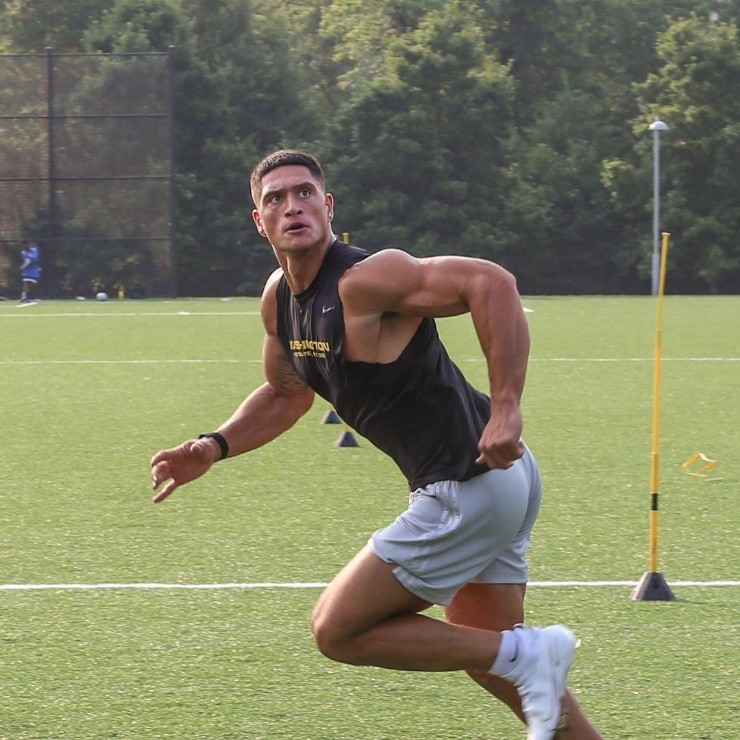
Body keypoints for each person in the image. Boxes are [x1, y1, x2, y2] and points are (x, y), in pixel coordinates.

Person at [150, 149, 603, 739]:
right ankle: (530, 664)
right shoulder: (279, 299)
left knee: (337, 630)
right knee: (500, 663)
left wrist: (508, 406)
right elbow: (286, 394)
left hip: (467, 484)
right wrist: (213, 446)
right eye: (275, 198)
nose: (292, 206)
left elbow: (490, 281)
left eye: (305, 193)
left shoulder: (365, 279)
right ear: (259, 221)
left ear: (328, 206)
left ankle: (529, 654)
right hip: (498, 482)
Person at [20, 238, 41, 303]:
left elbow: (30, 260)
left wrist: (23, 266)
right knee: (26, 283)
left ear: (28, 244)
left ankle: (27, 296)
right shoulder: (23, 252)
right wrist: (24, 267)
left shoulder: (34, 250)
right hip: (27, 271)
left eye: (24, 245)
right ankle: (24, 297)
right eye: (22, 245)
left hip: (34, 270)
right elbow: (27, 260)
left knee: (31, 284)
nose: (23, 246)